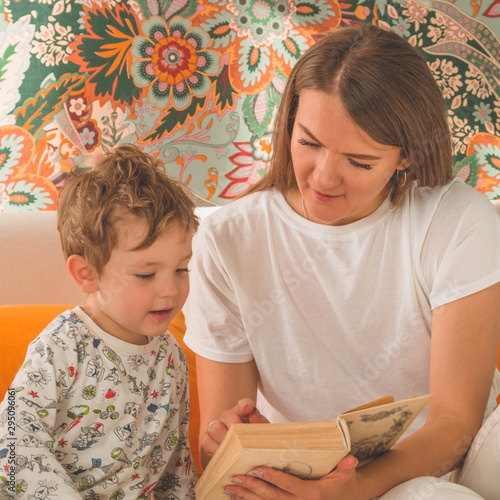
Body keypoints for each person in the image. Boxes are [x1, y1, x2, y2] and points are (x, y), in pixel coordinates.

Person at [183, 23, 500, 500]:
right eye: (309, 143)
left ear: (406, 157)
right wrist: (226, 440)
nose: (323, 178)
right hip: (315, 480)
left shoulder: (457, 222)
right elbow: (221, 444)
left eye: (360, 161)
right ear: (289, 121)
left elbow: (455, 423)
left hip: (464, 458)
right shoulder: (228, 240)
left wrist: (356, 489)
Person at [0, 145, 199, 499]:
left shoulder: (172, 359)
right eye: (145, 274)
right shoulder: (60, 347)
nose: (170, 290)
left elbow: (174, 466)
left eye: (181, 268)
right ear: (87, 274)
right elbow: (11, 442)